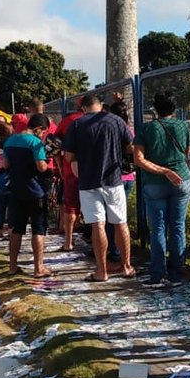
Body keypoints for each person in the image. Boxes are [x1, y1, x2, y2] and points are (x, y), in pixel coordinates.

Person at [62, 94, 135, 282]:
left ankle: (101, 271)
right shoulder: (116, 121)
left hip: (88, 181)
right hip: (113, 179)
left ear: (83, 108)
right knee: (120, 223)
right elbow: (130, 147)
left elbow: (68, 156)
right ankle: (126, 266)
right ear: (101, 105)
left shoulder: (77, 125)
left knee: (97, 225)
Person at [133, 91, 190, 288]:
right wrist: (172, 168)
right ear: (174, 109)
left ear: (155, 109)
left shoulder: (146, 128)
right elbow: (187, 151)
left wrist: (163, 170)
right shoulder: (183, 126)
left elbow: (139, 159)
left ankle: (158, 272)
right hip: (181, 179)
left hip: (154, 181)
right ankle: (176, 272)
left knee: (157, 227)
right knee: (177, 226)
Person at [3, 113, 54, 277]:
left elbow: (5, 164)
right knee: (38, 229)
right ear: (38, 128)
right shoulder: (35, 142)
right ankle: (38, 268)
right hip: (35, 190)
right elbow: (41, 167)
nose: (43, 135)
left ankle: (12, 266)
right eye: (43, 132)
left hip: (16, 190)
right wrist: (48, 161)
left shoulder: (10, 140)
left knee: (16, 229)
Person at [104, 99, 135, 271]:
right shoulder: (130, 131)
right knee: (121, 217)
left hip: (111, 177)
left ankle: (113, 250)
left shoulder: (109, 130)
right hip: (128, 176)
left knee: (110, 217)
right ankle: (123, 256)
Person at [55, 99, 86, 251]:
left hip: (70, 169)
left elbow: (54, 144)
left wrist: (60, 166)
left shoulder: (67, 121)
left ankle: (68, 242)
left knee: (71, 206)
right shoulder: (102, 119)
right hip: (96, 171)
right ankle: (95, 240)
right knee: (97, 208)